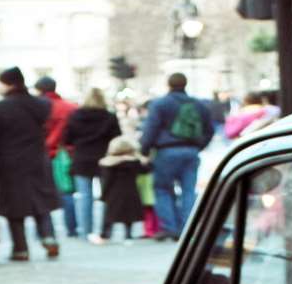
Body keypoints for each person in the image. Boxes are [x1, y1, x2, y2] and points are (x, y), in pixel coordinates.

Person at [0, 67, 63, 260]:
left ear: (8, 84)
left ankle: (20, 248)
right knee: (41, 204)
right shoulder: (41, 105)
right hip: (37, 160)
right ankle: (49, 238)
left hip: (9, 164)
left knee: (14, 209)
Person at [138, 72, 214, 242]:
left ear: (169, 85)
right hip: (191, 151)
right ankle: (188, 226)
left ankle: (170, 228)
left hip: (166, 152)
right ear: (185, 84)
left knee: (162, 189)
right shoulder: (199, 105)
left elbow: (151, 129)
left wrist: (144, 150)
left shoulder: (160, 104)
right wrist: (198, 146)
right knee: (188, 190)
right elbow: (209, 130)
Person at [61, 88, 121, 245]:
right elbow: (117, 139)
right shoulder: (109, 117)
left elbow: (67, 139)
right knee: (108, 195)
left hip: (81, 158)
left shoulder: (75, 116)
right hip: (104, 159)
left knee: (85, 196)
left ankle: (86, 231)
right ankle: (105, 231)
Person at [33, 76, 78, 237]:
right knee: (67, 192)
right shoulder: (70, 107)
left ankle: (45, 232)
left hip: (44, 152)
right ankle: (71, 228)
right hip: (67, 152)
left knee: (41, 193)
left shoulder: (38, 108)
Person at [98, 136, 149, 244]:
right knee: (129, 215)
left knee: (109, 215)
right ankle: (128, 235)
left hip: (113, 194)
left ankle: (105, 234)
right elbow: (146, 169)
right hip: (131, 191)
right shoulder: (135, 162)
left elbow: (107, 181)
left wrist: (103, 195)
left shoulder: (109, 164)